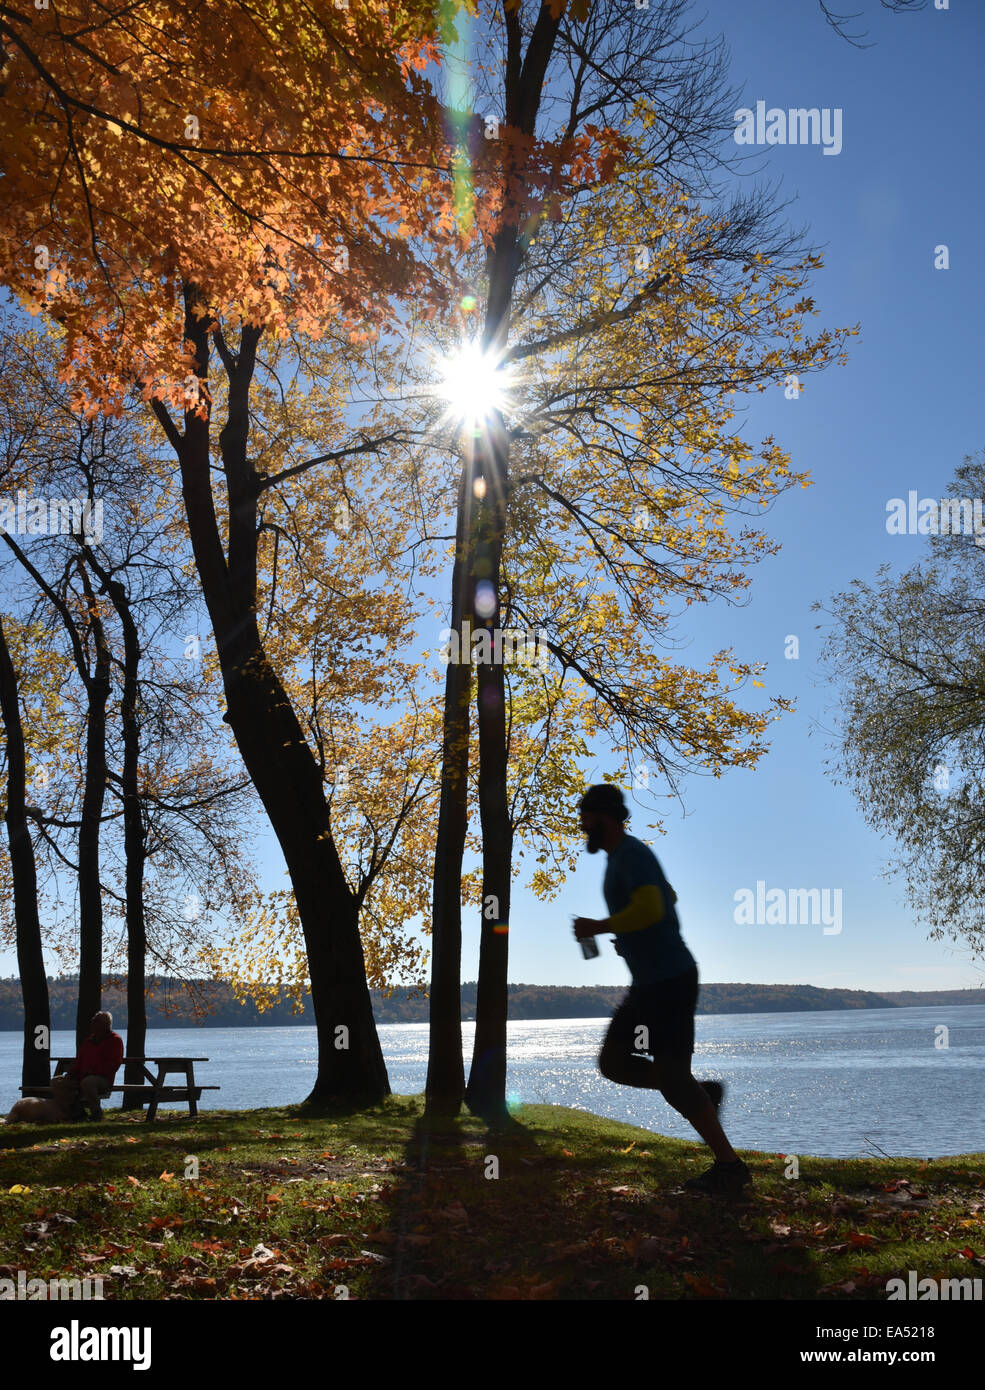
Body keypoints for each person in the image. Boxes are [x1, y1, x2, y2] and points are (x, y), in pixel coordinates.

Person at [573, 784, 752, 1195]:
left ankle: (730, 1167)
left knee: (670, 1078)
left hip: (669, 981)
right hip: (649, 984)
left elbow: (654, 906)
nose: (583, 827)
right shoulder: (625, 857)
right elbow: (666, 897)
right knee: (615, 1063)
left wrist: (600, 926)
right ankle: (698, 1092)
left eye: (586, 818)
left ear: (603, 816)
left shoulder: (631, 854)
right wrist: (632, 936)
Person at [51, 1011, 124, 1121]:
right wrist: (71, 1074)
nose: (92, 1024)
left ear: (106, 1024)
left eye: (96, 1022)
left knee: (88, 1082)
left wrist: (93, 1072)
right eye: (93, 1022)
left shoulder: (115, 1040)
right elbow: (79, 1062)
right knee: (56, 1081)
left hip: (104, 1079)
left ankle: (96, 1113)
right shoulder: (88, 1041)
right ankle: (72, 1112)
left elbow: (114, 1064)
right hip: (82, 1077)